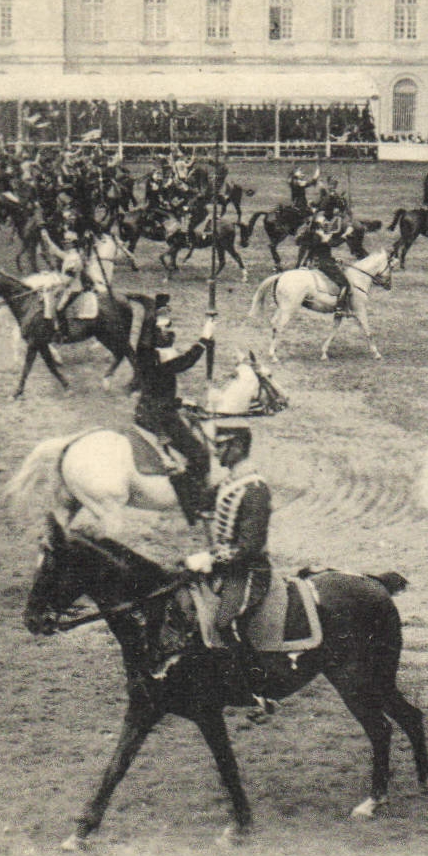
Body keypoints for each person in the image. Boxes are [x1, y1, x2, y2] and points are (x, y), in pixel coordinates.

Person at [180, 426, 273, 700]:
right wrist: (181, 474)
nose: (217, 452)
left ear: (237, 447)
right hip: (225, 568)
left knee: (225, 622)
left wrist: (210, 558)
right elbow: (197, 505)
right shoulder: (230, 482)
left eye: (221, 446)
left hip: (249, 571)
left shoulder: (256, 489)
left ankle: (257, 687)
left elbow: (250, 547)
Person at [131, 295, 215, 525]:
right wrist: (204, 339)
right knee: (199, 454)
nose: (169, 330)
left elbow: (161, 386)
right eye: (164, 327)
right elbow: (183, 363)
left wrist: (181, 401)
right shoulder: (150, 354)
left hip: (158, 405)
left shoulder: (151, 351)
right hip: (158, 415)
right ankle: (195, 506)